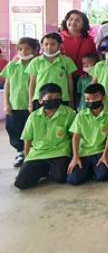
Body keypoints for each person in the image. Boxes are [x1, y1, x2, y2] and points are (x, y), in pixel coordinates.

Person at [14, 83, 76, 190]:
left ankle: (46, 170)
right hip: (37, 154)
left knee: (60, 178)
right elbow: (27, 139)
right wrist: (27, 160)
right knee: (21, 183)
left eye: (57, 97)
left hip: (60, 152)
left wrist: (73, 156)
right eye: (50, 98)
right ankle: (44, 170)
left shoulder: (69, 113)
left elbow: (74, 136)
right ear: (40, 100)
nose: (54, 100)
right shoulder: (33, 116)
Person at [66, 83, 108, 185]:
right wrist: (75, 157)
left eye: (95, 98)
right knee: (73, 180)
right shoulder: (81, 115)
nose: (91, 101)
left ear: (103, 98)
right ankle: (91, 169)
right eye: (87, 99)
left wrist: (105, 155)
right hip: (84, 152)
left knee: (104, 176)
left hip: (101, 151)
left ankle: (94, 170)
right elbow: (76, 136)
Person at [2, 37, 39, 167]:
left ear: (35, 50)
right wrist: (6, 103)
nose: (23, 51)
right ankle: (20, 152)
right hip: (15, 104)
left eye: (27, 48)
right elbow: (7, 85)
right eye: (20, 49)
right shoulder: (12, 65)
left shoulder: (37, 64)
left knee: (31, 129)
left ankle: (32, 152)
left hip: (31, 105)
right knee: (14, 128)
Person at [27, 33, 77, 110]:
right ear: (42, 45)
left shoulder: (67, 61)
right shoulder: (36, 62)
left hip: (61, 98)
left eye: (53, 44)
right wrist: (30, 102)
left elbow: (70, 82)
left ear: (59, 45)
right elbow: (32, 83)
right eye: (46, 44)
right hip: (41, 99)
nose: (49, 47)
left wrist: (71, 100)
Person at [59, 9, 97, 74]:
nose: (73, 22)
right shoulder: (58, 38)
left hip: (83, 75)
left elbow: (94, 58)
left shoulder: (89, 39)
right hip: (63, 75)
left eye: (77, 20)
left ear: (84, 23)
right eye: (70, 19)